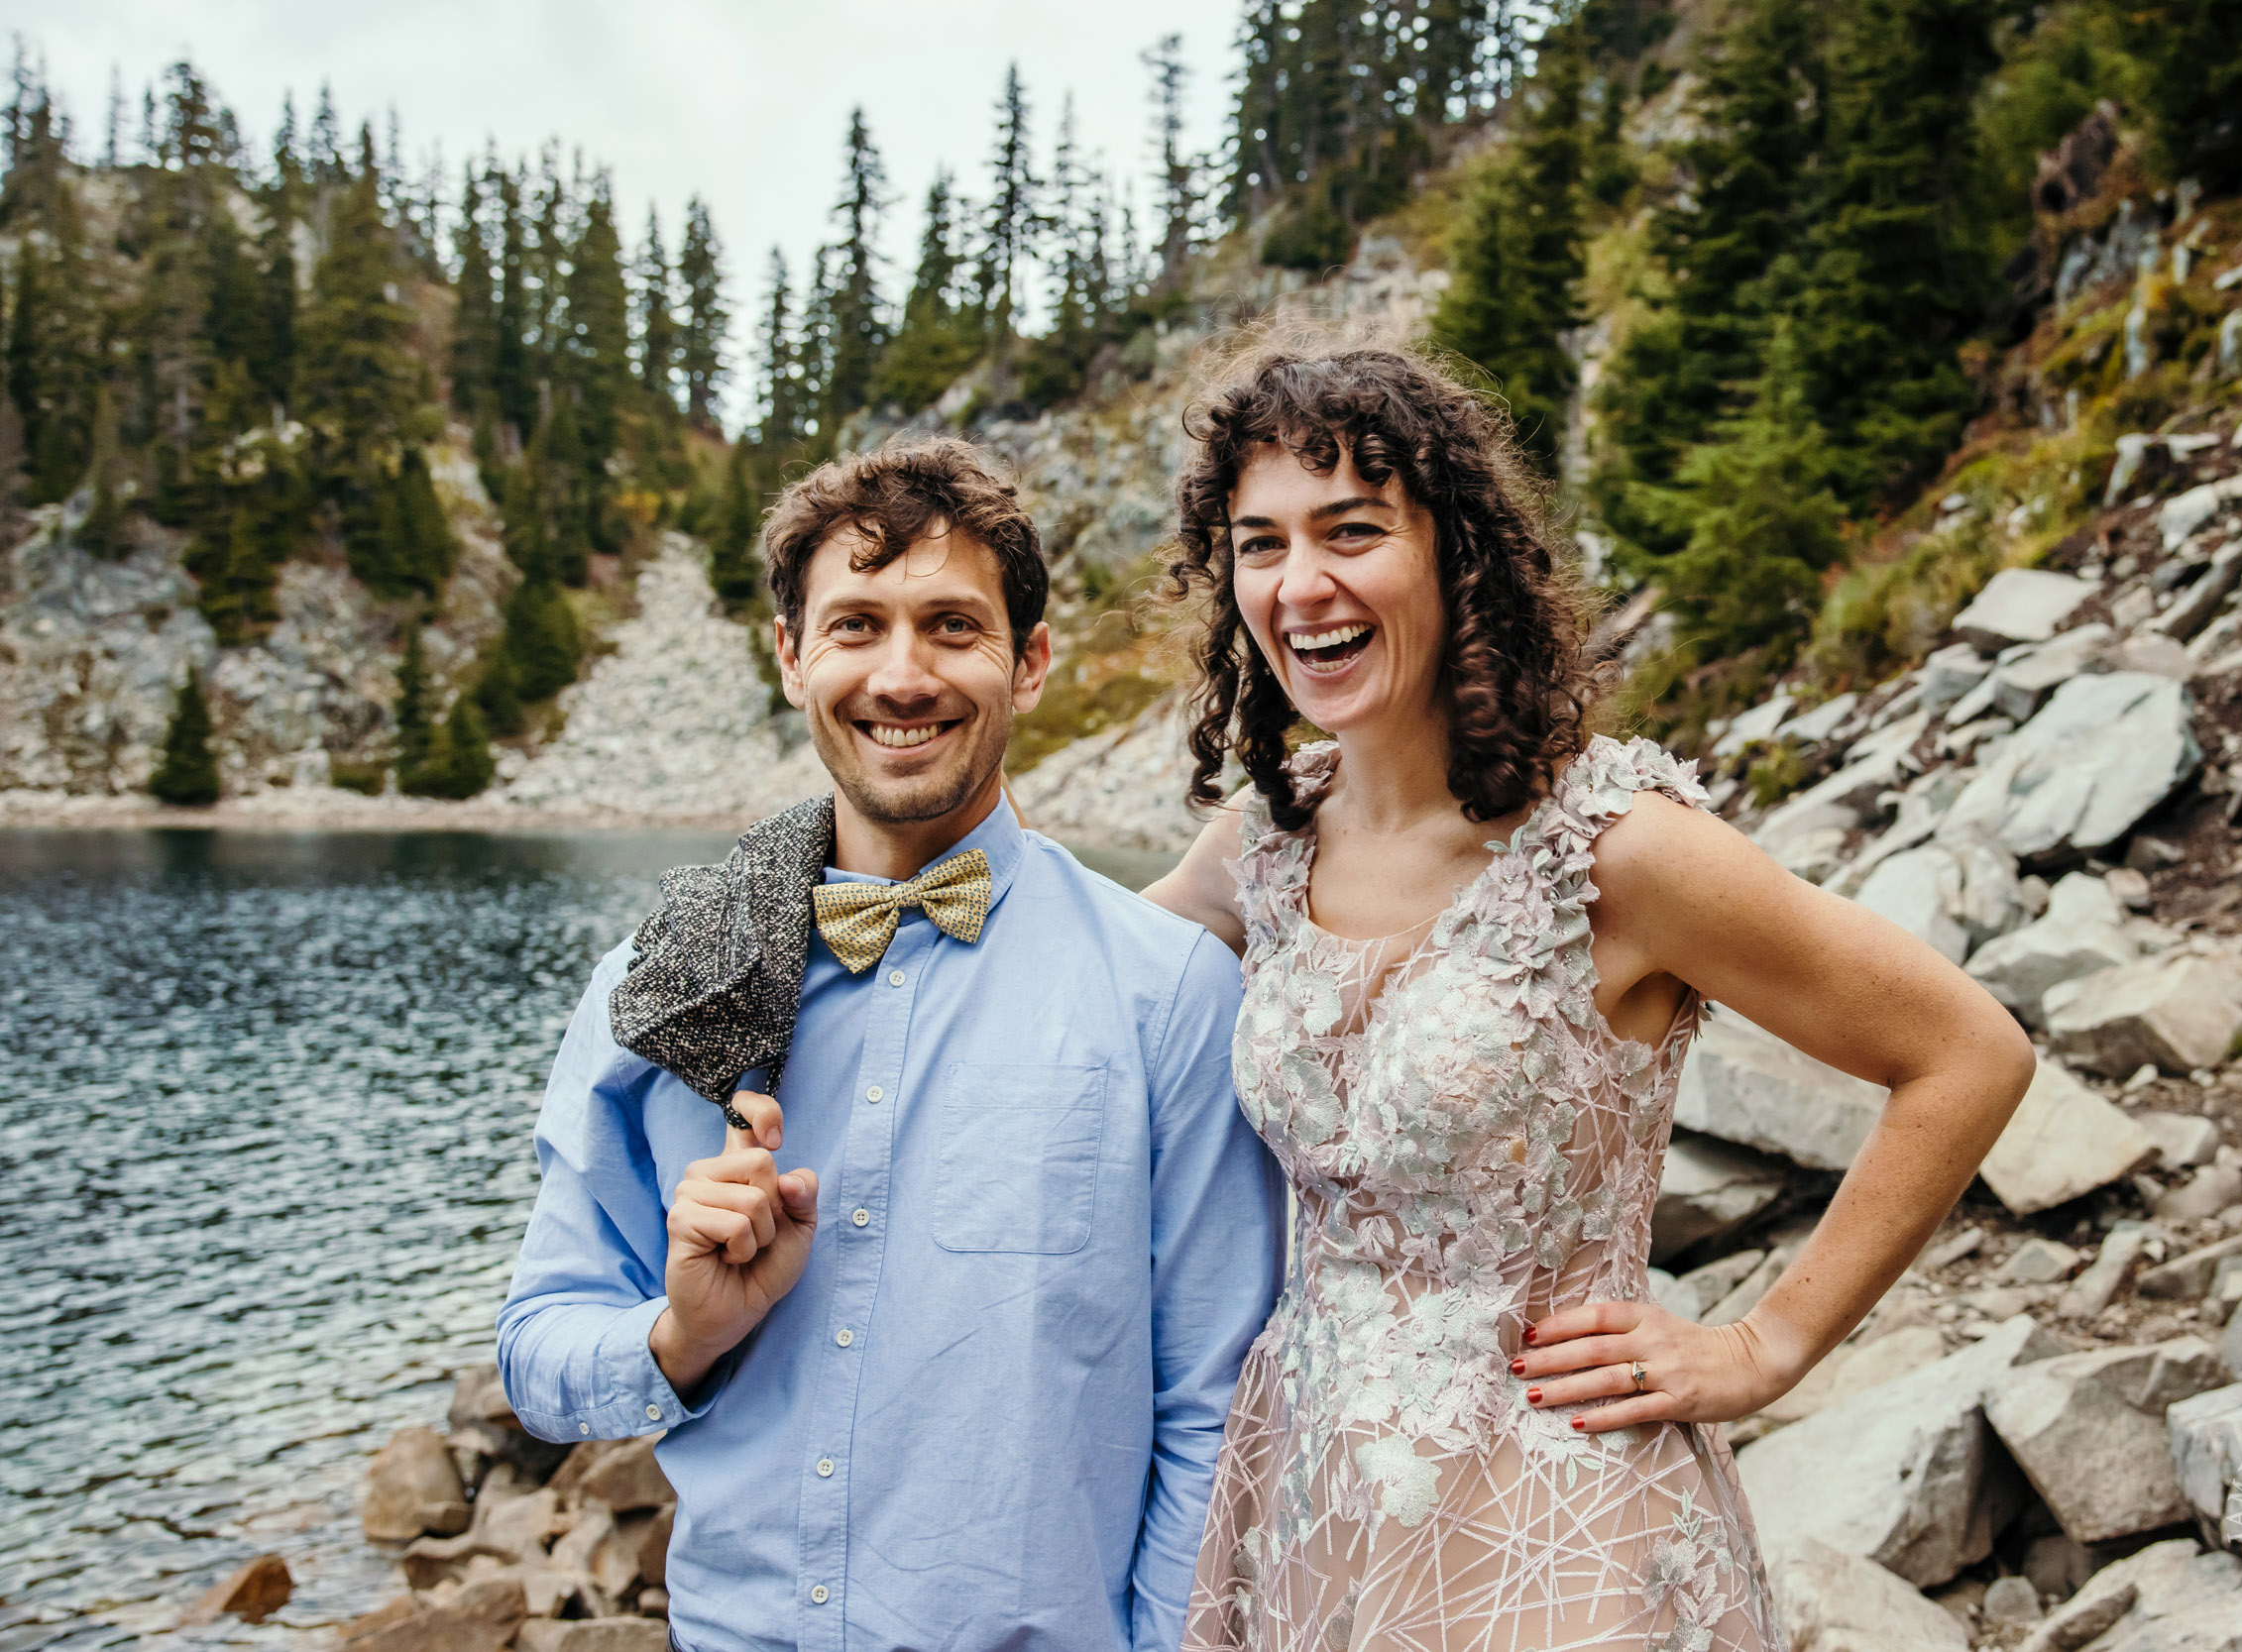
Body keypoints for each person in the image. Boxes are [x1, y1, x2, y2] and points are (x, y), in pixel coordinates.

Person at [1142, 342, 2036, 1652]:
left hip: (1561, 1528)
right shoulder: (1259, 846)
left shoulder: (1616, 848)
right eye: (1259, 545)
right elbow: (1065, 991)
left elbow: (1967, 1052)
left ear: (1456, 554)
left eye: (1351, 530)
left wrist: (1766, 1343)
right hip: (1309, 1509)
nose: (1301, 583)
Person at [497, 437, 1286, 1652]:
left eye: (953, 626)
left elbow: (1213, 1414)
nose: (902, 676)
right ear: (791, 656)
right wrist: (683, 1334)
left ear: (1029, 662)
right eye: (855, 625)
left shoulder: (1167, 992)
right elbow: (538, 1349)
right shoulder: (658, 990)